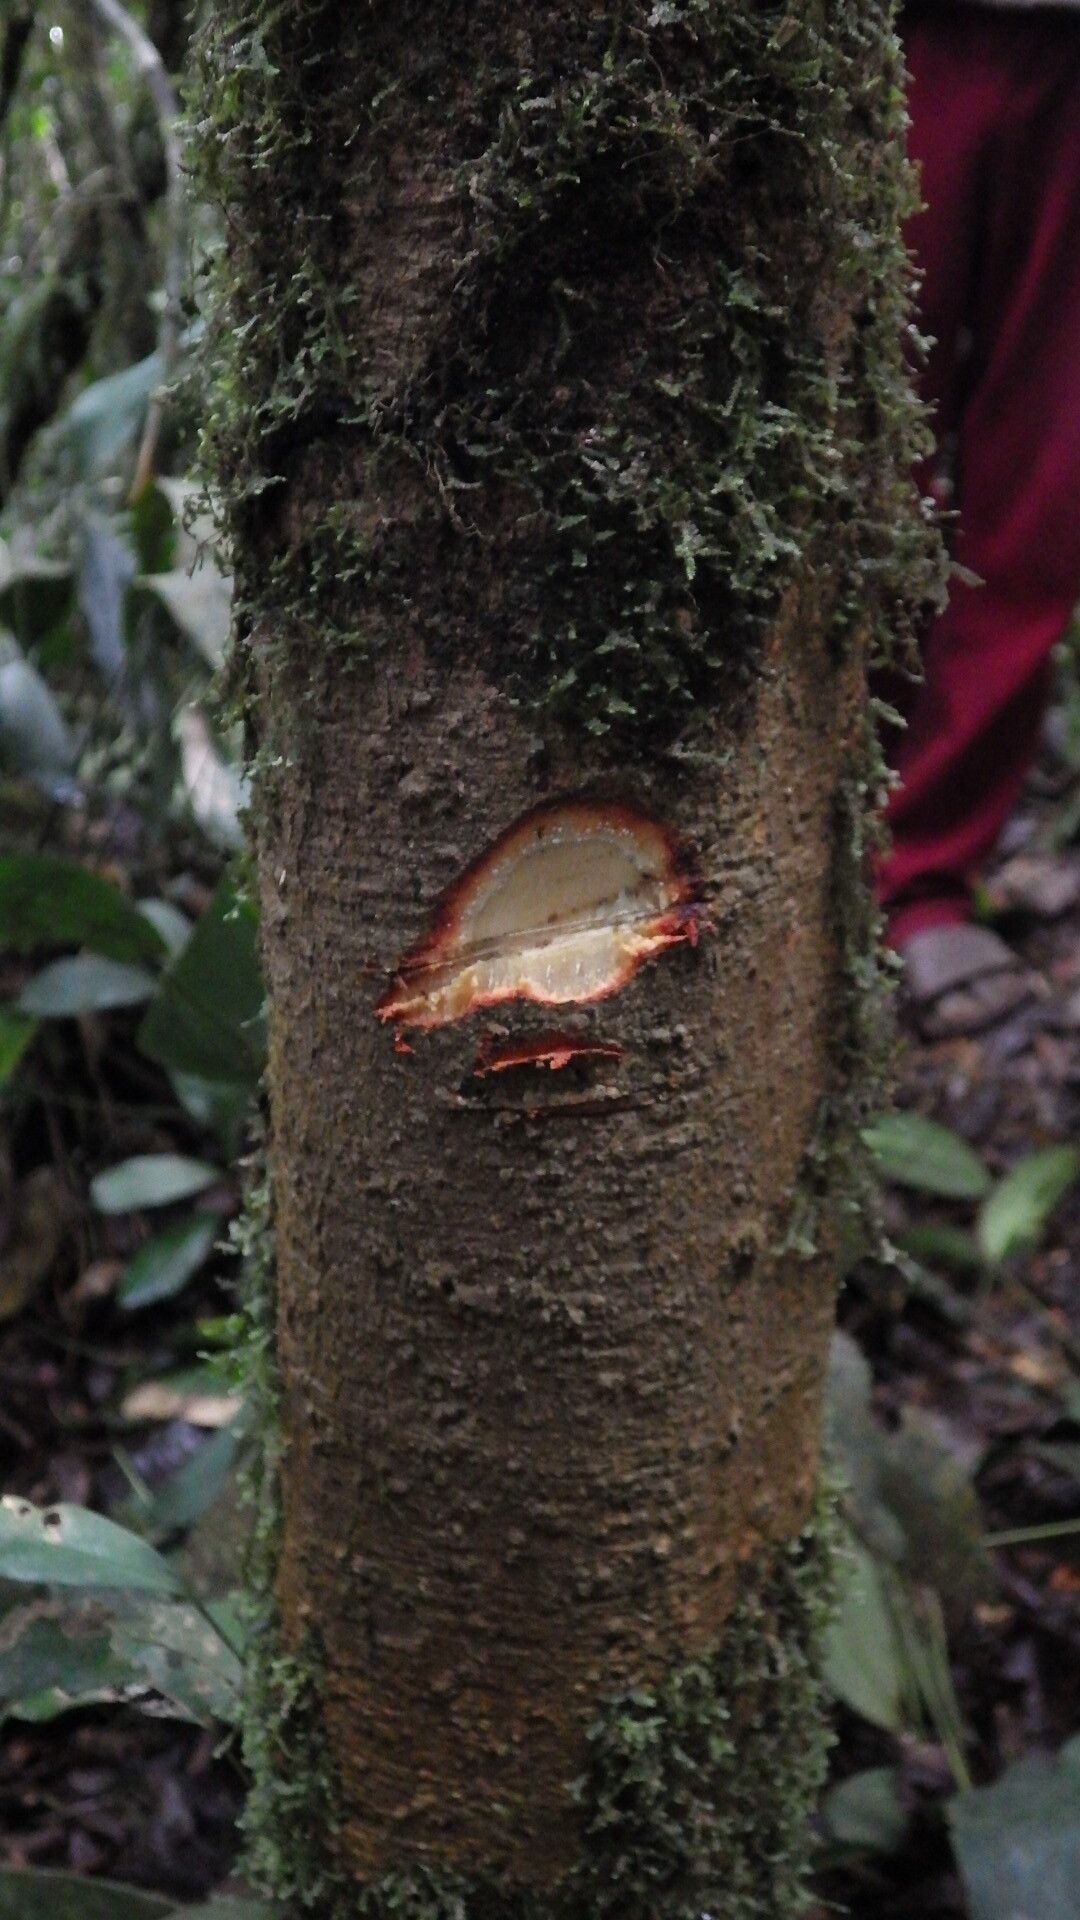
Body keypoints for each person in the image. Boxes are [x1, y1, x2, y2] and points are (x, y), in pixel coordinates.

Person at [878, 2, 1080, 1038]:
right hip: (914, 32)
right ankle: (790, 822)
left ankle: (921, 873)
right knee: (861, 432)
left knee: (1047, 490)